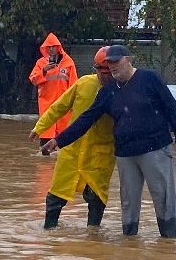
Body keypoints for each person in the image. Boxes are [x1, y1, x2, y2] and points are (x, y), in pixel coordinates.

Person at [42, 45, 176, 238]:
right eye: (109, 63)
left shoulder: (149, 78)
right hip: (125, 153)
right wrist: (58, 141)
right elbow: (87, 118)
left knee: (163, 197)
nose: (112, 66)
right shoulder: (108, 91)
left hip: (155, 149)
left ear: (129, 60)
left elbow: (170, 106)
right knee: (128, 202)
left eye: (116, 61)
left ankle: (170, 241)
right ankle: (130, 242)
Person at [29, 47, 116, 229]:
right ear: (96, 69)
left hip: (100, 154)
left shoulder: (120, 90)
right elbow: (59, 107)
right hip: (72, 150)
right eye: (102, 71)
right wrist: (40, 127)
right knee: (56, 195)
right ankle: (49, 232)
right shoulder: (84, 84)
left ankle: (93, 238)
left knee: (96, 198)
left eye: (110, 72)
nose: (106, 76)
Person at [28, 33, 77, 154]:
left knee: (63, 143)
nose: (51, 49)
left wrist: (74, 104)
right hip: (47, 107)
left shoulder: (69, 63)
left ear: (58, 47)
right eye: (48, 47)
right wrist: (43, 71)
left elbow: (74, 85)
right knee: (45, 145)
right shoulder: (40, 63)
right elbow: (33, 79)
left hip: (64, 108)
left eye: (53, 46)